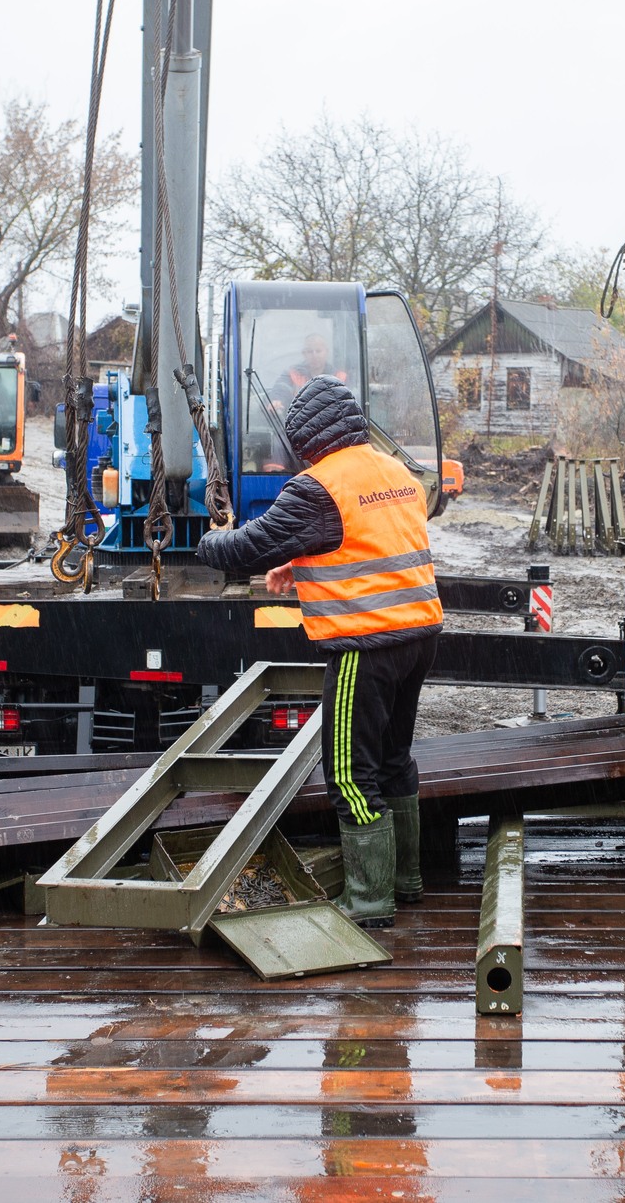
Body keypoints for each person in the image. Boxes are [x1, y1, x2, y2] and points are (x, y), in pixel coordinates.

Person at [197, 376, 442, 928]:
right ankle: (406, 880)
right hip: (419, 635)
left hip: (366, 646)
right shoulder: (392, 469)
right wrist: (301, 562)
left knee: (351, 775)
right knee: (395, 760)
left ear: (305, 437)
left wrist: (208, 540)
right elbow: (371, 539)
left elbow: (250, 547)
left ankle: (369, 902)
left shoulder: (318, 486)